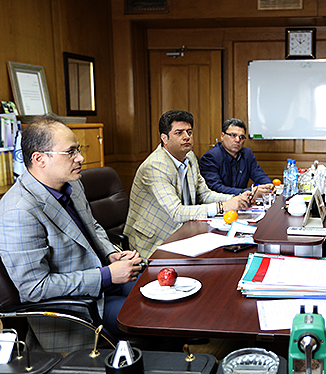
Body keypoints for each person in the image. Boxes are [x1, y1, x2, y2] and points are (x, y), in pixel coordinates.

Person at [0, 116, 143, 353]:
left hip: (105, 282)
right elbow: (35, 288)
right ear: (39, 159)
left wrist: (111, 254)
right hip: (76, 309)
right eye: (70, 152)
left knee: (164, 293)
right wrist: (106, 276)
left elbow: (92, 226)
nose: (80, 158)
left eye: (78, 149)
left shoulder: (72, 183)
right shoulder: (18, 211)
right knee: (153, 315)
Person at [124, 111, 252, 261]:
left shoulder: (189, 156)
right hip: (156, 240)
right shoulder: (155, 166)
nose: (186, 137)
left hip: (186, 232)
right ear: (164, 138)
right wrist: (222, 206)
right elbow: (177, 212)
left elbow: (204, 194)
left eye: (189, 132)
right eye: (179, 133)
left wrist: (235, 199)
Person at [200, 118, 274, 199]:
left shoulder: (247, 154)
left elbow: (260, 176)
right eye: (233, 135)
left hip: (243, 202)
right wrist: (250, 191)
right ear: (222, 136)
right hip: (221, 203)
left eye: (241, 137)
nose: (238, 140)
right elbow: (216, 188)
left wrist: (268, 186)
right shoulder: (210, 157)